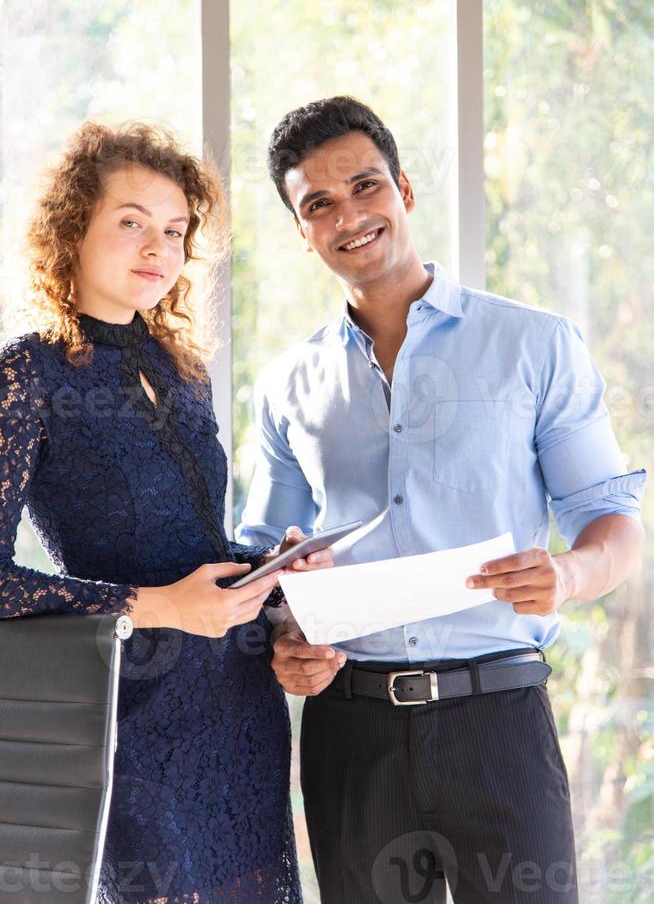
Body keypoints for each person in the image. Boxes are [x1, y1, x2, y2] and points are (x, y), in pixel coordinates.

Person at [237, 96, 647, 903]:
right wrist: (285, 632)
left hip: (496, 718)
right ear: (300, 228)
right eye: (319, 204)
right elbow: (263, 562)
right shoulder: (288, 384)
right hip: (350, 732)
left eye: (366, 186)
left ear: (406, 191)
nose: (349, 216)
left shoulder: (533, 344)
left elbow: (613, 521)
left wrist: (568, 574)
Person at [0, 122, 331, 903]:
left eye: (176, 230)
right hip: (129, 723)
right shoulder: (27, 373)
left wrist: (275, 574)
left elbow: (198, 548)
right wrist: (160, 607)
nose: (158, 246)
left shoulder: (185, 372)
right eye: (131, 222)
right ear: (72, 227)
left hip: (240, 709)